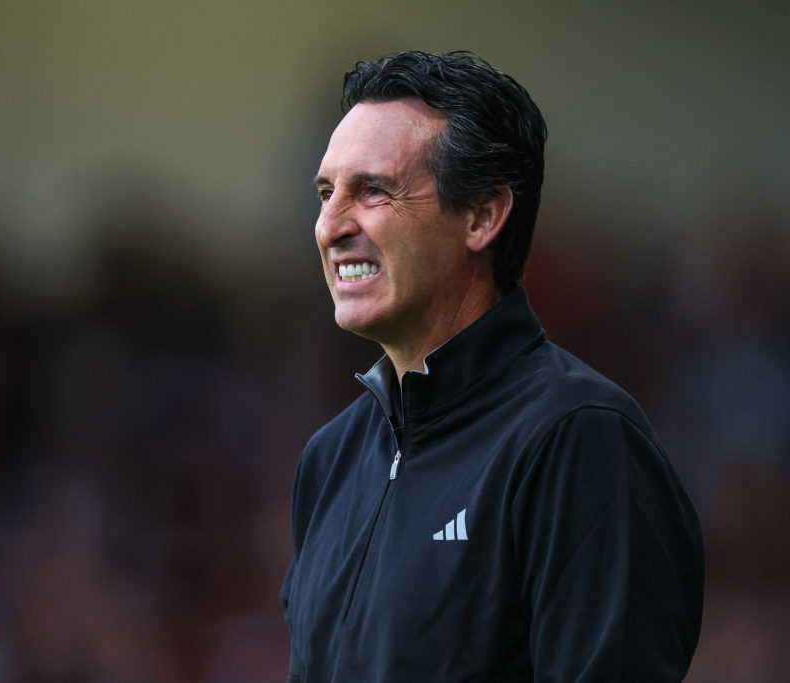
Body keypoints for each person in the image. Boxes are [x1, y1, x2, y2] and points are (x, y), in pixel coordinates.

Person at [280, 51, 704, 682]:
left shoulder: (580, 439)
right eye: (326, 192)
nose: (330, 225)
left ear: (482, 215)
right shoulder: (329, 459)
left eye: (373, 190)